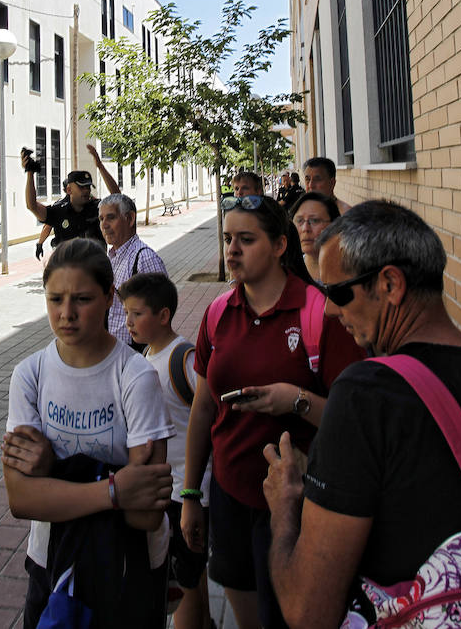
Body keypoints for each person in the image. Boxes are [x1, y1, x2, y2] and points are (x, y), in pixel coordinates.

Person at [263, 201, 461, 629]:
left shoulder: (365, 395)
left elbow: (307, 612)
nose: (334, 311)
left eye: (338, 293)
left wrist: (285, 507)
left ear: (390, 284)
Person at [180, 195, 364, 629]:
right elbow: (203, 408)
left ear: (281, 245)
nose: (232, 251)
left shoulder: (321, 313)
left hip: (293, 504)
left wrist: (294, 400)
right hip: (228, 494)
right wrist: (191, 495)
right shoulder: (218, 312)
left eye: (246, 239)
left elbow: (351, 424)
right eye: (227, 239)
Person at [2, 238, 175, 629]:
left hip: (128, 564)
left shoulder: (135, 377)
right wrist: (114, 487)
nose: (66, 314)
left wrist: (54, 472)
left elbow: (144, 514)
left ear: (109, 296)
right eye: (55, 299)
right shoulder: (29, 375)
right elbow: (21, 498)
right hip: (52, 560)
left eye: (81, 299)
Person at [119, 271, 213, 629]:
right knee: (190, 576)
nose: (128, 322)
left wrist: (194, 492)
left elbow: (207, 414)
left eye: (137, 313)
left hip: (189, 492)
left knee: (184, 582)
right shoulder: (147, 354)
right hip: (167, 490)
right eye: (126, 313)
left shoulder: (183, 358)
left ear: (163, 315)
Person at [98, 193, 167, 346]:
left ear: (129, 219)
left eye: (111, 217)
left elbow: (162, 314)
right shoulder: (112, 258)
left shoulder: (145, 259)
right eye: (101, 219)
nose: (104, 225)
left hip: (135, 354)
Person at [22, 144, 119, 249]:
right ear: (69, 190)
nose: (86, 191)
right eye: (81, 187)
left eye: (88, 187)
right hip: (68, 264)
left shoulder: (97, 208)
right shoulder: (59, 211)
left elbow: (117, 197)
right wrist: (30, 173)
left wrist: (100, 166)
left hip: (94, 264)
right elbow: (32, 206)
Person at [288, 192, 340, 281]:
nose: (305, 228)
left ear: (334, 225)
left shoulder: (351, 273)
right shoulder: (288, 274)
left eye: (315, 221)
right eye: (299, 220)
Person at [35, 180, 68, 260]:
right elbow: (47, 227)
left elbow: (47, 227)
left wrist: (40, 244)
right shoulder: (59, 207)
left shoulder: (59, 206)